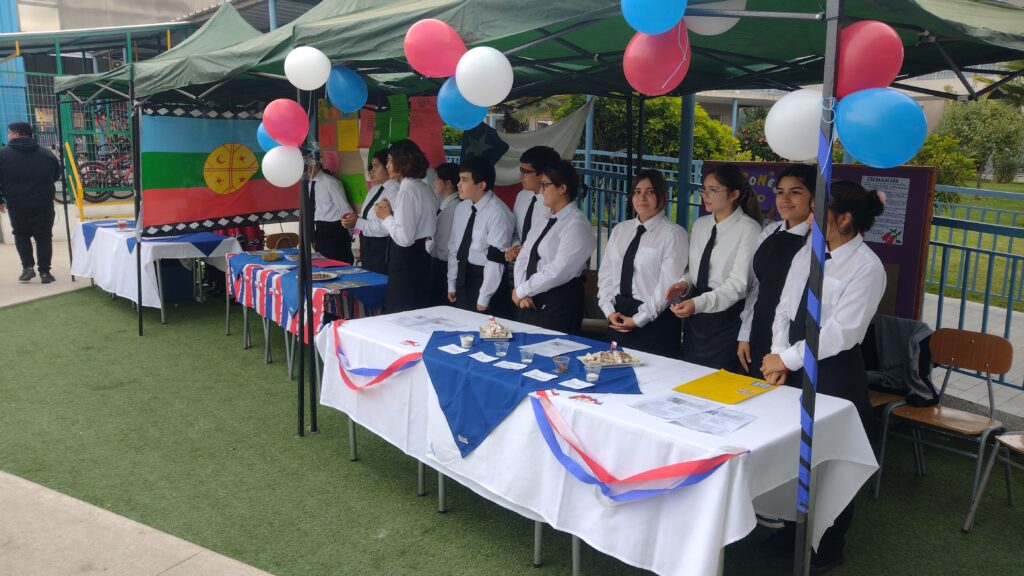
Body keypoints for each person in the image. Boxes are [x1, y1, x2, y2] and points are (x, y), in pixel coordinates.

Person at [759, 180, 886, 574]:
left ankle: (830, 544)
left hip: (834, 374)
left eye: (818, 210)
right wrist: (778, 354)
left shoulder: (867, 268)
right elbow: (784, 307)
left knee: (828, 461)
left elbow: (840, 333)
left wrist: (785, 359)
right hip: (792, 366)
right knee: (790, 451)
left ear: (844, 219)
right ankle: (791, 529)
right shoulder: (808, 251)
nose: (810, 217)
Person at [667, 163, 762, 372]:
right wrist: (684, 284)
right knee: (689, 376)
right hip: (696, 318)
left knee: (718, 380)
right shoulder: (701, 225)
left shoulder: (749, 229)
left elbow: (738, 285)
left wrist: (698, 303)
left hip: (727, 318)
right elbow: (694, 271)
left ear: (734, 194)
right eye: (704, 189)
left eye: (713, 190)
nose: (705, 196)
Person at [597, 169, 688, 357]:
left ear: (663, 196)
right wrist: (608, 311)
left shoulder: (673, 234)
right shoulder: (620, 230)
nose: (642, 197)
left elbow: (667, 288)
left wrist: (638, 320)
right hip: (618, 316)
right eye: (637, 192)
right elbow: (606, 274)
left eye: (650, 192)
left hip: (654, 320)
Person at [737, 164, 815, 379]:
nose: (785, 199)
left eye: (795, 192)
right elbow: (757, 287)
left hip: (794, 341)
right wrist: (745, 333)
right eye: (780, 192)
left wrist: (785, 355)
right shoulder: (770, 231)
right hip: (760, 328)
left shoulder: (817, 242)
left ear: (814, 198)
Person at [513, 160, 595, 334]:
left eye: (545, 185)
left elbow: (559, 270)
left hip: (558, 301)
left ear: (562, 188)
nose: (541, 191)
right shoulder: (545, 218)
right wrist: (522, 290)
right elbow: (525, 254)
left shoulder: (576, 225)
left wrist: (523, 290)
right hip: (529, 297)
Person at [373, 140, 439, 312]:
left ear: (403, 162)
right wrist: (392, 214)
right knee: (418, 307)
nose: (387, 165)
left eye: (390, 160)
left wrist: (386, 217)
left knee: (402, 310)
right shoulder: (424, 187)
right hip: (422, 255)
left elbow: (405, 238)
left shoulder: (407, 190)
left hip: (407, 259)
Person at [446, 157, 514, 315]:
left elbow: (496, 260)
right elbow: (454, 247)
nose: (458, 184)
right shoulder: (462, 208)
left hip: (486, 280)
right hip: (463, 277)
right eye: (459, 179)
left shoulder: (498, 213)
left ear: (481, 185)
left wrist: (484, 296)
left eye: (464, 180)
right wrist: (452, 281)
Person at [0, 121, 62, 283]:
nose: (8, 136)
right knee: (44, 237)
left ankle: (28, 267)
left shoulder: (3, 154)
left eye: (9, 133)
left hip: (17, 204)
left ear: (16, 134)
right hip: (43, 203)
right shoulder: (46, 154)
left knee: (21, 234)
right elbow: (56, 174)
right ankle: (45, 272)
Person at [342, 149, 398, 275]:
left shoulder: (395, 191)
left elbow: (387, 227)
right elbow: (368, 216)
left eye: (375, 166)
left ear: (387, 167)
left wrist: (358, 222)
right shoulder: (375, 189)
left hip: (383, 247)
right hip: (367, 245)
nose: (372, 171)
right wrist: (353, 219)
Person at [505, 146, 561, 263]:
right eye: (521, 171)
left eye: (525, 172)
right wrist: (516, 247)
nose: (521, 177)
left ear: (543, 174)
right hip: (520, 265)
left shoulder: (556, 204)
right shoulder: (522, 196)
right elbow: (515, 232)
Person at [428, 162, 461, 306]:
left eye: (437, 179)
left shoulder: (453, 209)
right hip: (439, 262)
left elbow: (445, 244)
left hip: (445, 265)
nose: (434, 183)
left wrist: (428, 243)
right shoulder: (445, 205)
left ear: (448, 183)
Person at [308, 159, 354, 264]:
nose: (308, 168)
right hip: (320, 230)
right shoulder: (309, 184)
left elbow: (345, 208)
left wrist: (350, 232)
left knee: (338, 265)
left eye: (311, 163)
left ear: (318, 164)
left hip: (335, 230)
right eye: (305, 165)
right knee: (323, 264)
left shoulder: (330, 182)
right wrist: (313, 236)